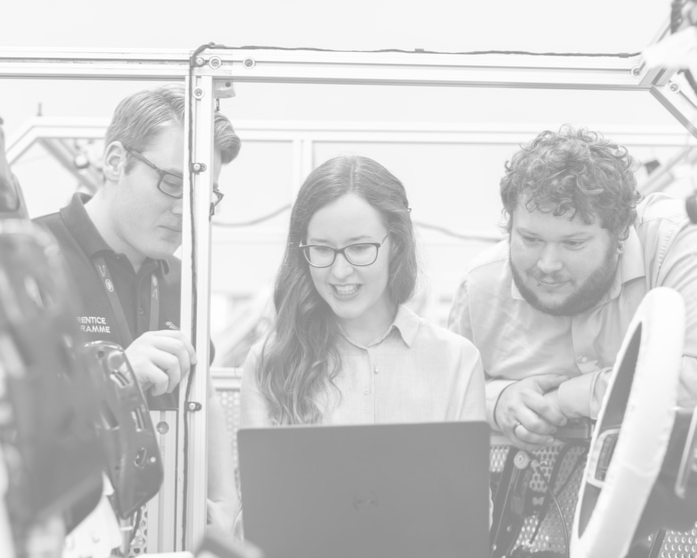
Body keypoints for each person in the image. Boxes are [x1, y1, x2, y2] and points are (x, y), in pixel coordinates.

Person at [449, 126, 697, 451]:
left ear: (621, 232)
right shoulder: (480, 287)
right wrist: (497, 400)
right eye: (531, 239)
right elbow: (447, 396)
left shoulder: (675, 241)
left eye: (573, 243)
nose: (548, 264)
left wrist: (566, 399)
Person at [34, 83, 240, 534]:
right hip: (63, 537)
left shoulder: (183, 282)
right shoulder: (29, 260)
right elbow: (5, 417)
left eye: (203, 195)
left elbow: (200, 394)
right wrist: (116, 376)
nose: (184, 209)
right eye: (171, 183)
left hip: (162, 539)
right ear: (114, 162)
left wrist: (225, 501)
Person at [240, 155, 485, 427]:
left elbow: (463, 470)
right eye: (321, 249)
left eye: (359, 248)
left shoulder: (457, 361)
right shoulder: (268, 363)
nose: (340, 271)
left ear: (396, 244)